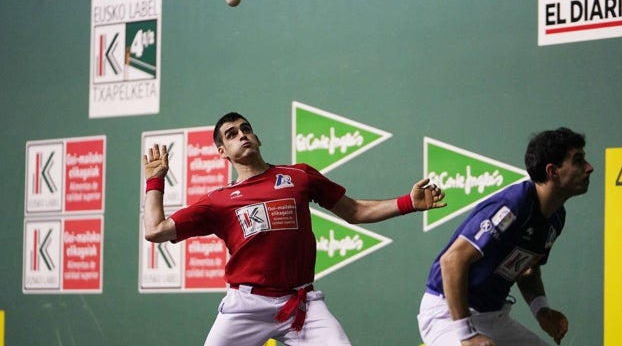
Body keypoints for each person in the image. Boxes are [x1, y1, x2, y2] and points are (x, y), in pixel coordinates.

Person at [142, 112, 447, 346]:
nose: (242, 135)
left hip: (302, 304)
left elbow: (354, 211)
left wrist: (409, 202)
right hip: (246, 306)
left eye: (246, 129)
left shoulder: (299, 176)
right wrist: (155, 180)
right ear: (222, 151)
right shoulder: (218, 201)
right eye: (232, 134)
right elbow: (155, 230)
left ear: (257, 138)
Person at [417, 127, 593, 346]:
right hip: (448, 315)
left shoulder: (556, 217)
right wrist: (467, 334)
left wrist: (541, 310)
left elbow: (526, 268)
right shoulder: (512, 206)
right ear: (552, 172)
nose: (589, 168)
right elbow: (452, 260)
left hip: (493, 317)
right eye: (578, 161)